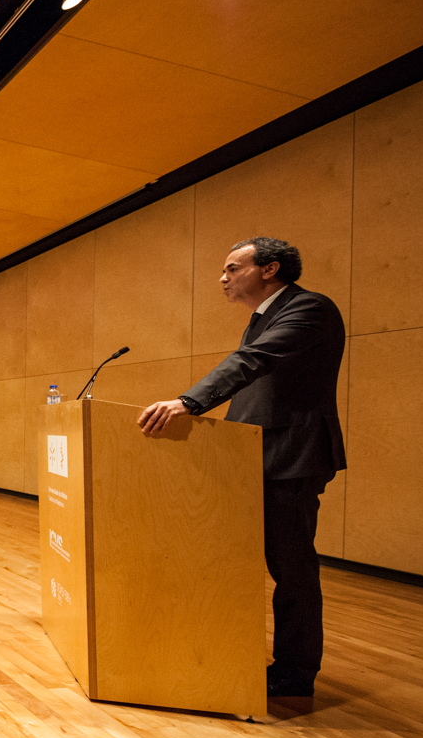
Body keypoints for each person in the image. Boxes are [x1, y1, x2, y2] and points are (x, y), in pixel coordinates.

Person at [137, 237, 346, 699]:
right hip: (251, 455)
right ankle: (227, 646)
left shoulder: (309, 307)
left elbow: (252, 363)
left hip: (290, 456)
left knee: (291, 568)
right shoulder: (264, 318)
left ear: (269, 269)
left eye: (233, 268)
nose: (223, 277)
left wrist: (189, 402)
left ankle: (294, 672)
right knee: (234, 560)